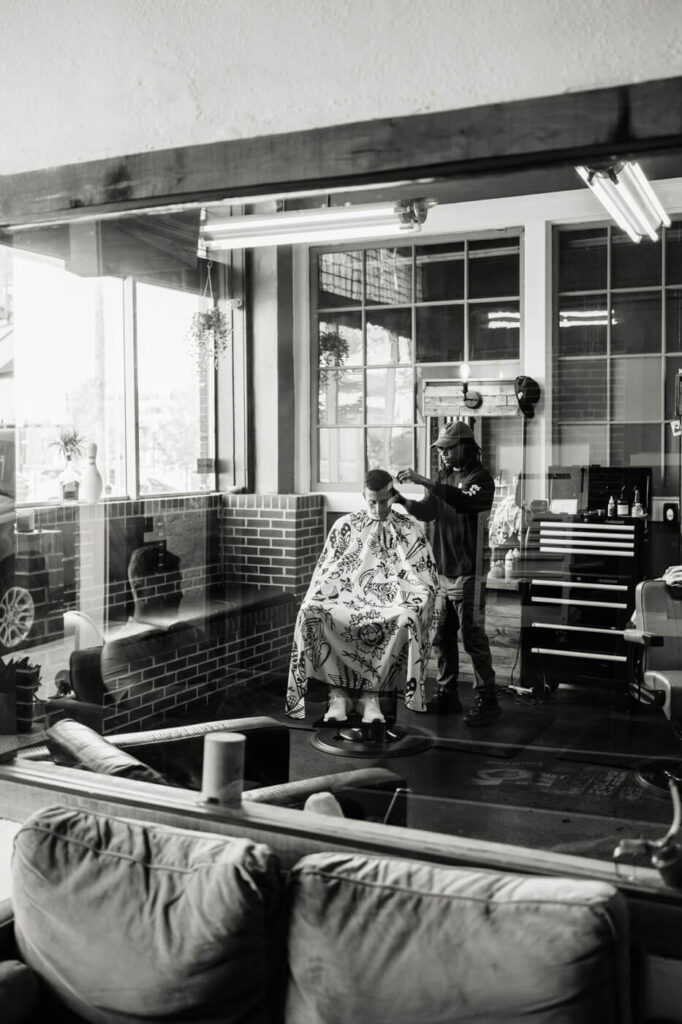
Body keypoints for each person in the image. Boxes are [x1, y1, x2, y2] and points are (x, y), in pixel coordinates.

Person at [285, 468, 441, 724]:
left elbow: (424, 577)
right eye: (372, 502)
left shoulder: (409, 528)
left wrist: (413, 600)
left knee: (407, 617)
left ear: (392, 495)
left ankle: (371, 697)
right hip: (348, 599)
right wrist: (316, 599)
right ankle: (338, 695)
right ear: (363, 496)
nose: (379, 508)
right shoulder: (345, 526)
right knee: (310, 611)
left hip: (393, 602)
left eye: (383, 501)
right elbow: (325, 573)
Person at [394, 421, 499, 726]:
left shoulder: (480, 479)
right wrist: (401, 500)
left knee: (472, 637)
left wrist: (425, 481)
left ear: (464, 447)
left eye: (447, 449)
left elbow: (463, 502)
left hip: (469, 573)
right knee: (441, 636)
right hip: (443, 573)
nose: (442, 455)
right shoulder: (443, 476)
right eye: (439, 450)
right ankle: (447, 693)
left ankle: (488, 700)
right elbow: (430, 511)